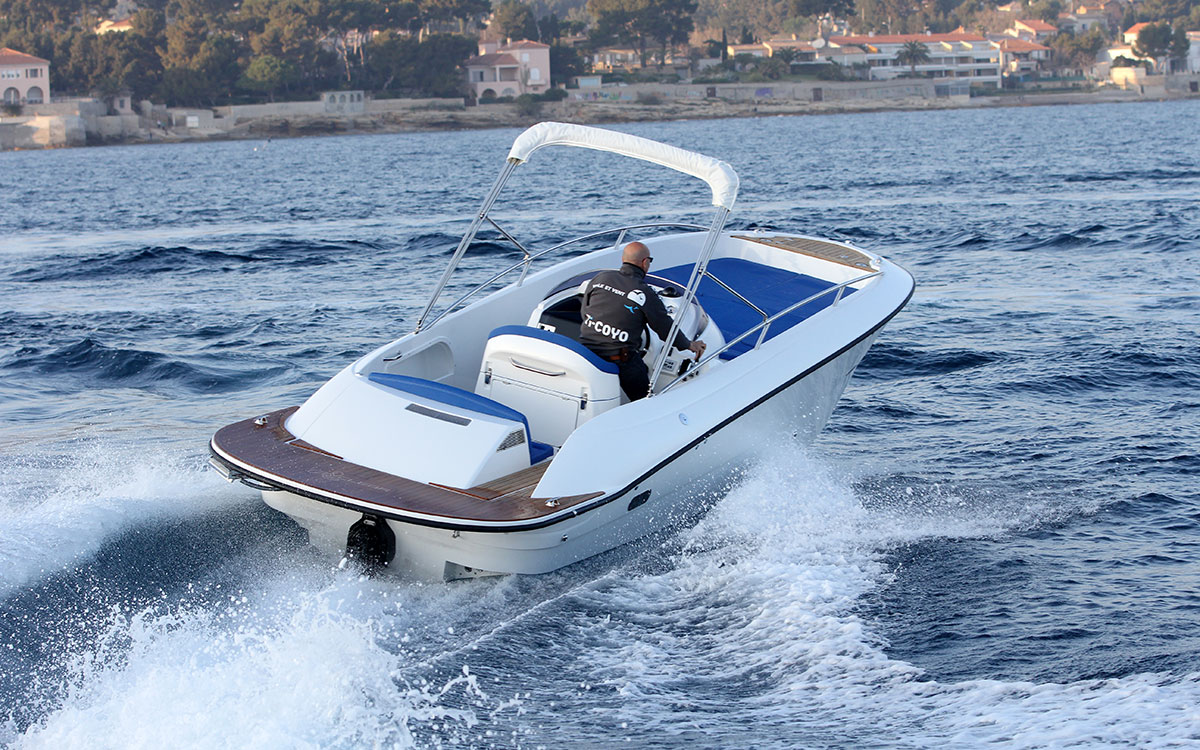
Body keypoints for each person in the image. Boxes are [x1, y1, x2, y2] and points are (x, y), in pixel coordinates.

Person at [579, 241, 706, 400]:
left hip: (586, 353)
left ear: (623, 259)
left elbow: (585, 311)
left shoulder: (601, 278)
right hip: (620, 359)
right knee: (645, 398)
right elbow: (665, 328)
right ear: (645, 262)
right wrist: (688, 344)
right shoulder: (644, 293)